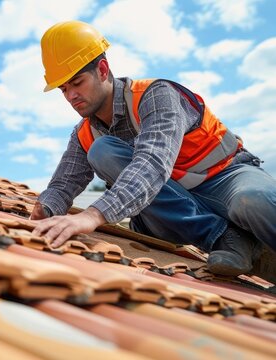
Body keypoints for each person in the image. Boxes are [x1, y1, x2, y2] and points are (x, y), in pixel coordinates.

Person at [30, 20, 276, 283]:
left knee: (253, 200)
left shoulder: (157, 95)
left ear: (102, 70)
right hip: (174, 210)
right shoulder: (84, 134)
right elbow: (62, 185)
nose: (70, 96)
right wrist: (45, 209)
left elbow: (153, 163)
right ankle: (225, 238)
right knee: (102, 150)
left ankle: (256, 247)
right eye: (64, 89)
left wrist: (93, 215)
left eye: (77, 83)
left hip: (225, 178)